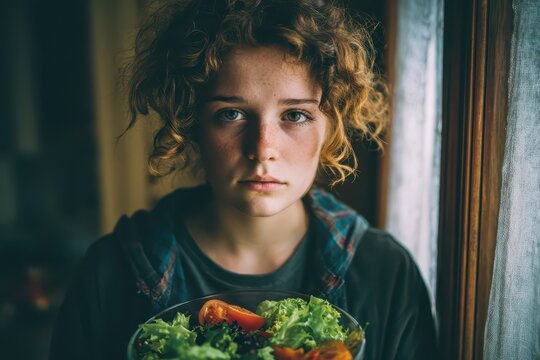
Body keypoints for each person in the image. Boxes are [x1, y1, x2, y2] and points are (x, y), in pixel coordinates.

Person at [50, 0, 437, 359]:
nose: (262, 148)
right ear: (192, 124)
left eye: (296, 115)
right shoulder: (109, 274)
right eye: (232, 114)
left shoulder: (387, 275)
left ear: (331, 126)